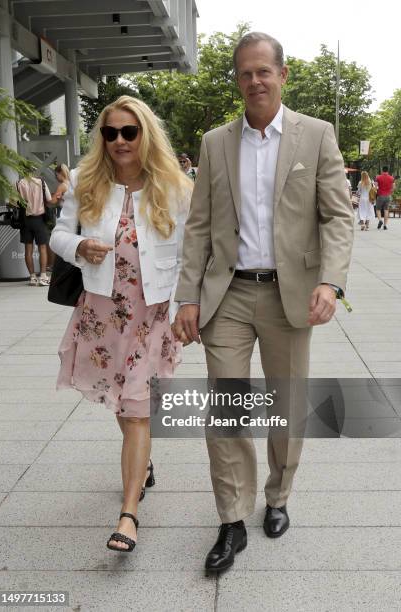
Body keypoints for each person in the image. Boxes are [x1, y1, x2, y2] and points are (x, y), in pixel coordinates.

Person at [173, 31, 354, 574]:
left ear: (282, 75)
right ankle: (231, 518)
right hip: (226, 295)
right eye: (245, 73)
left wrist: (332, 282)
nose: (255, 81)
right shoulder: (214, 143)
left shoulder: (316, 136)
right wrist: (187, 296)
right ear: (238, 80)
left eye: (263, 72)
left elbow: (338, 218)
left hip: (289, 296)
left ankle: (277, 496)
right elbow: (199, 227)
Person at [50, 95, 191, 553]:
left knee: (136, 408)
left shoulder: (174, 186)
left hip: (151, 313)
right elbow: (58, 234)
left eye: (128, 132)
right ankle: (143, 466)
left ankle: (128, 514)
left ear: (145, 135)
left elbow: (194, 251)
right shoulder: (85, 181)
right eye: (110, 133)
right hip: (102, 313)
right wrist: (79, 248)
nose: (118, 141)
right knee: (122, 402)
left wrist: (190, 307)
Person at [17, 174, 53, 286]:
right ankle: (43, 276)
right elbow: (49, 199)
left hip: (25, 220)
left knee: (28, 249)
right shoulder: (41, 182)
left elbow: (13, 202)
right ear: (33, 170)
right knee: (42, 247)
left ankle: (32, 278)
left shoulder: (19, 183)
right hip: (39, 220)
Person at [376, 166, 395, 230]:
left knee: (378, 209)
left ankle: (380, 220)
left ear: (382, 170)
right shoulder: (391, 178)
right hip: (388, 196)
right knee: (386, 210)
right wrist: (390, 192)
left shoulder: (378, 177)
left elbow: (375, 186)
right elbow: (394, 187)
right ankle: (385, 225)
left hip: (380, 195)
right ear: (387, 170)